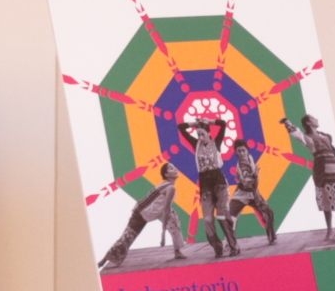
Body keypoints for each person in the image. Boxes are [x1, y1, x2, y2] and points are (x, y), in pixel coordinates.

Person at [99, 161, 188, 271]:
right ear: (166, 174)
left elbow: (165, 208)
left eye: (174, 167)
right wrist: (163, 233)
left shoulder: (167, 185)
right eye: (171, 168)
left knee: (173, 219)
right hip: (140, 215)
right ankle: (103, 261)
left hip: (148, 212)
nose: (175, 169)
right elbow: (165, 209)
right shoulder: (170, 188)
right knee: (126, 238)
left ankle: (177, 251)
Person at [180, 116, 239, 258]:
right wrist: (196, 124)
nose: (200, 137)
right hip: (205, 185)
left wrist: (207, 121)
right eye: (198, 135)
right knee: (207, 219)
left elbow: (223, 123)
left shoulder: (216, 142)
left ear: (208, 133)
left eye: (202, 134)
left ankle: (233, 246)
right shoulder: (196, 144)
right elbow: (181, 127)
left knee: (222, 216)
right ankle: (218, 247)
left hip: (219, 182)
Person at [294, 113, 335, 243]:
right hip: (321, 169)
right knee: (326, 201)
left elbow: (334, 151)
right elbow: (297, 134)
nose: (316, 119)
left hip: (334, 168)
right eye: (313, 118)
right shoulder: (307, 138)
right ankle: (330, 231)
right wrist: (288, 124)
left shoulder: (326, 136)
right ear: (308, 123)